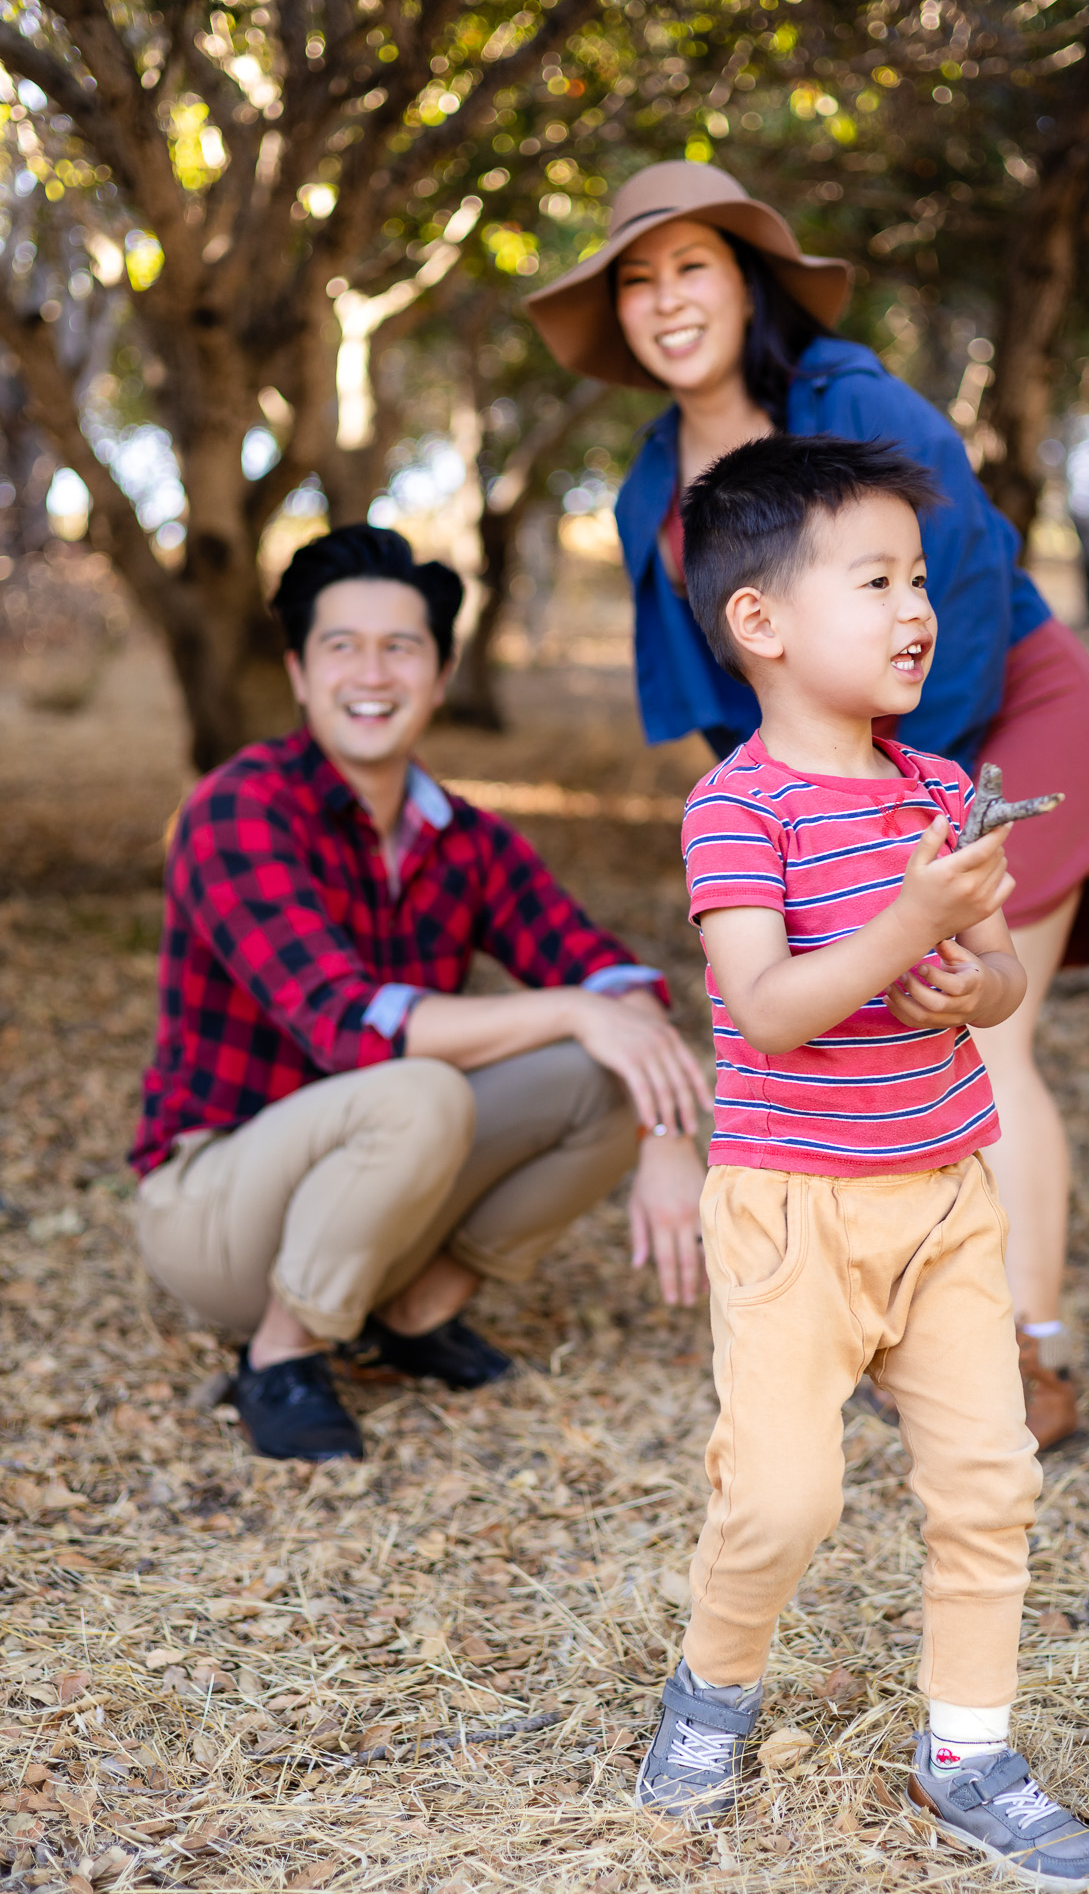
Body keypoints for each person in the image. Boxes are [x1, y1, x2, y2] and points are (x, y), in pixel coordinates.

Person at [526, 160, 1089, 1448]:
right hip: (836, 765)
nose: (666, 299)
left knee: (983, 1030)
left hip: (994, 711)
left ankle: (1026, 1350)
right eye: (637, 280)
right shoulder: (651, 488)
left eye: (693, 266)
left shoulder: (846, 394)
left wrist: (903, 805)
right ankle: (873, 1311)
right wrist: (776, 840)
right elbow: (701, 702)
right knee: (835, 1016)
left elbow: (950, 587)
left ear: (745, 284)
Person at [631, 435, 1089, 1891]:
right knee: (784, 1499)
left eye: (920, 579)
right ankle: (712, 1690)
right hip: (792, 1216)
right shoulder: (737, 810)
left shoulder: (933, 793)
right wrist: (907, 929)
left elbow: (994, 985)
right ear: (760, 623)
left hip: (946, 1200)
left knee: (988, 1479)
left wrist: (973, 986)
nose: (919, 609)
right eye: (877, 580)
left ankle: (966, 1744)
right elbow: (769, 1014)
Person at [132, 525, 708, 1463]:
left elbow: (607, 972)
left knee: (604, 1072)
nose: (372, 671)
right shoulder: (237, 808)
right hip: (217, 1203)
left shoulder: (465, 838)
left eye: (401, 647)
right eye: (341, 646)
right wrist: (572, 1011)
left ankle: (410, 1315)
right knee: (425, 1083)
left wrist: (666, 1129)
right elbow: (347, 1027)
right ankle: (278, 1356)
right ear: (299, 673)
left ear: (440, 677)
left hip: (378, 1187)